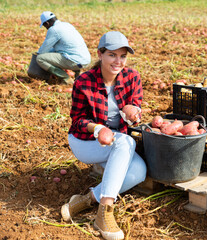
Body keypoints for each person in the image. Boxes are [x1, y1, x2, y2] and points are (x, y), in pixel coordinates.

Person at [62, 31, 147, 240]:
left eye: (123, 56)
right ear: (100, 54)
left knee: (139, 171)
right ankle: (104, 213)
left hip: (117, 142)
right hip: (85, 141)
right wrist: (98, 129)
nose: (118, 61)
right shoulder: (84, 81)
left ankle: (86, 200)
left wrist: (131, 113)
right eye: (112, 55)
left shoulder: (132, 76)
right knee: (125, 141)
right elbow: (77, 120)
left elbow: (135, 110)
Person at [36, 11, 91, 84]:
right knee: (69, 52)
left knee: (40, 58)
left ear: (47, 23)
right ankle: (77, 77)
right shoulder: (67, 25)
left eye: (45, 26)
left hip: (75, 61)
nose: (46, 28)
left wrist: (37, 55)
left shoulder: (54, 29)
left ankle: (65, 78)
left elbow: (42, 51)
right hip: (85, 60)